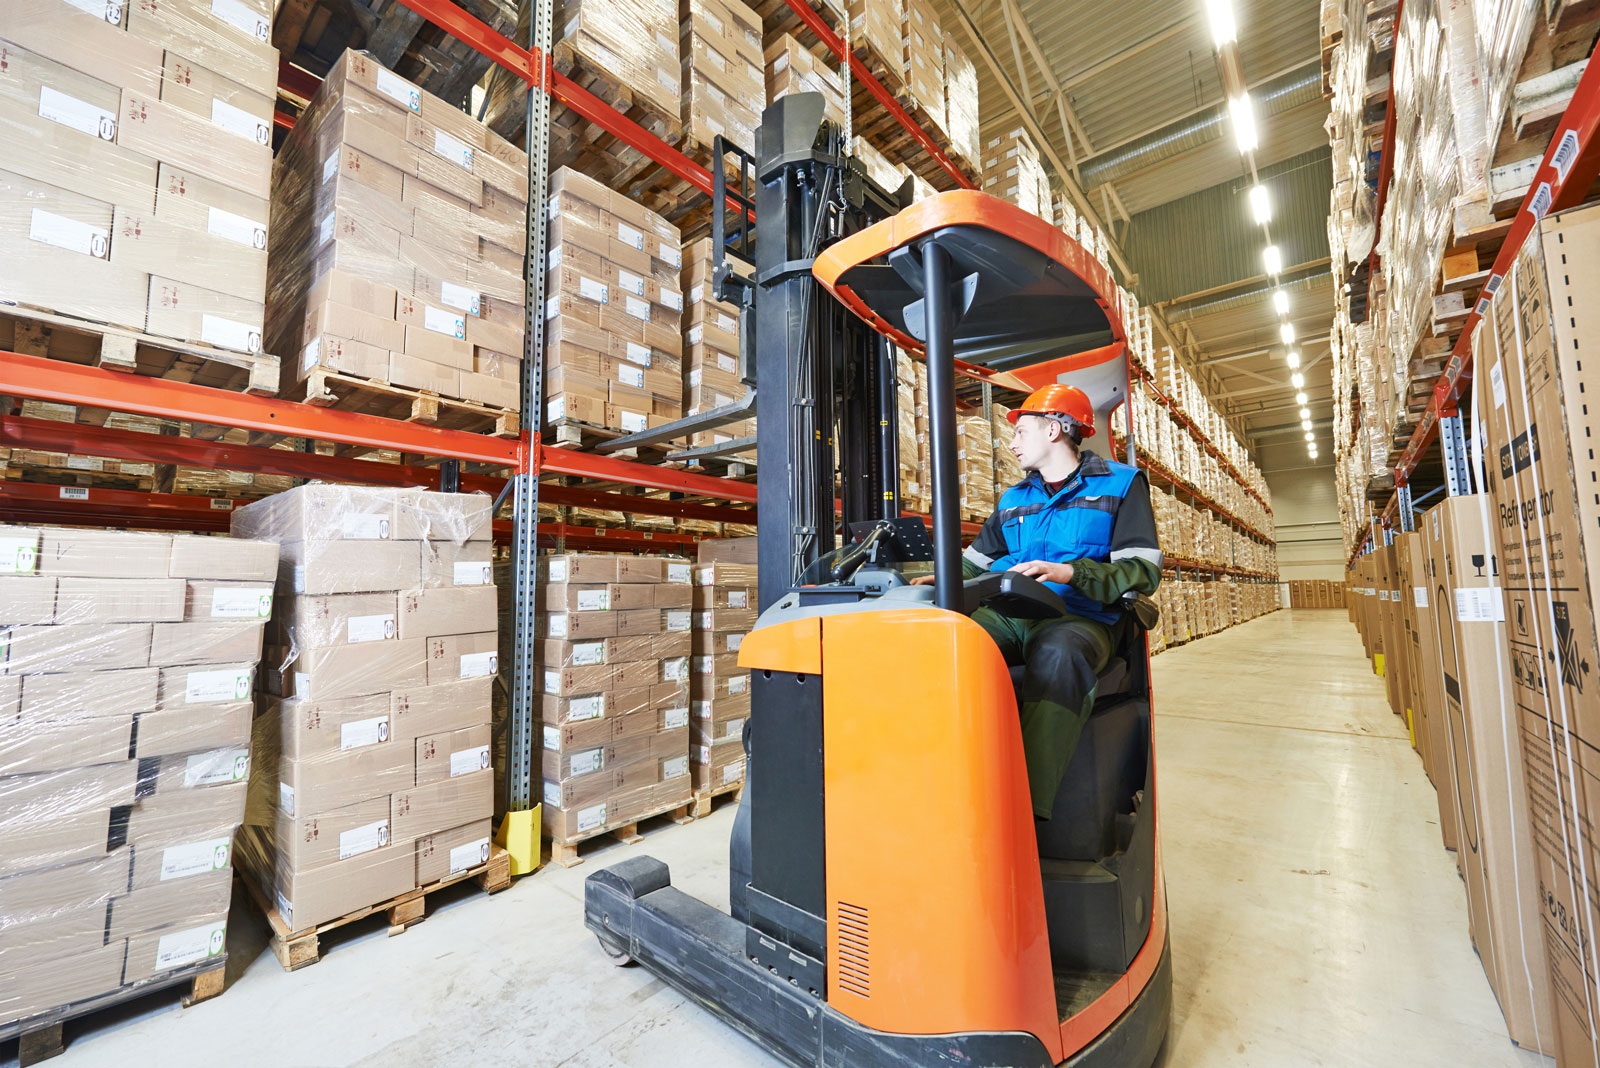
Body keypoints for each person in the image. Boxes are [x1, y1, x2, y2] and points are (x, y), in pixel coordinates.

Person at [919, 383, 1162, 818]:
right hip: (1014, 614)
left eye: (1021, 432)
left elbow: (1142, 572)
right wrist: (932, 581)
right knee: (947, 640)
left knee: (1058, 656)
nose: (1011, 442)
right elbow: (975, 564)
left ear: (1053, 430)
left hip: (1080, 618)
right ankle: (938, 782)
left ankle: (1023, 813)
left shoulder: (1122, 485)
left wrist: (1072, 572)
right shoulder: (1014, 499)